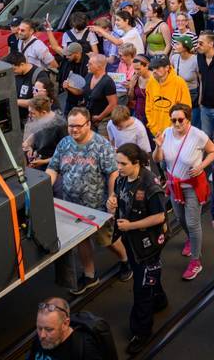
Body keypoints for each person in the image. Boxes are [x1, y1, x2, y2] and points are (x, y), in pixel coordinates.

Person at [46, 108, 132, 294]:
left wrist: (112, 196)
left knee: (108, 241)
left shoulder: (102, 146)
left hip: (98, 207)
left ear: (88, 124)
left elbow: (113, 173)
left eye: (78, 126)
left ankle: (126, 261)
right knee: (81, 242)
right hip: (72, 206)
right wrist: (44, 187)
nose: (74, 130)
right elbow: (53, 168)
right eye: (71, 126)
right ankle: (90, 275)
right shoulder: (64, 143)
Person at [106, 144, 168, 356]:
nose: (119, 167)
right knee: (146, 276)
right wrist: (111, 202)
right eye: (117, 163)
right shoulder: (122, 178)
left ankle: (141, 332)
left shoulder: (150, 184)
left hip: (148, 244)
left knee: (142, 288)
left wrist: (130, 226)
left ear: (137, 163)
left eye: (123, 164)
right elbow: (118, 197)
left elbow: (160, 216)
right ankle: (159, 299)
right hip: (131, 243)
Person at [153, 103, 214, 281]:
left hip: (192, 186)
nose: (177, 123)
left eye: (180, 119)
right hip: (175, 186)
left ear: (188, 119)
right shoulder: (166, 133)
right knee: (180, 220)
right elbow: (157, 159)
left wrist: (202, 166)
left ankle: (196, 261)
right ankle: (191, 240)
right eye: (173, 120)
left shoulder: (198, 135)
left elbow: (213, 151)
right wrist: (159, 147)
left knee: (192, 222)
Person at [29, 298, 98, 360]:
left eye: (49, 329)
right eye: (39, 328)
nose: (42, 335)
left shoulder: (84, 349)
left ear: (65, 324)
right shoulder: (41, 337)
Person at [144, 56, 192, 138]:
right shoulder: (151, 82)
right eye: (152, 68)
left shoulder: (179, 83)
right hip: (156, 132)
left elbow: (186, 109)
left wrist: (176, 128)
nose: (154, 71)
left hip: (175, 132)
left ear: (167, 68)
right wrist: (152, 126)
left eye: (157, 68)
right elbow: (148, 106)